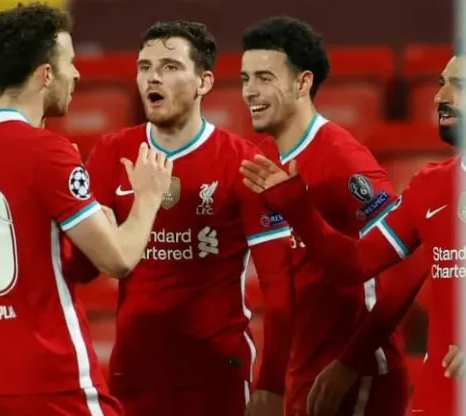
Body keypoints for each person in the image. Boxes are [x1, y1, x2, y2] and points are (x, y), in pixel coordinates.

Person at [0, 4, 172, 415]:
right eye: (69, 63)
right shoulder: (46, 151)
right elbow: (118, 259)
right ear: (45, 75)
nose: (76, 75)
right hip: (49, 378)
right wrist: (148, 197)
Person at [68, 20, 295, 416]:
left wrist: (272, 383)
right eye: (145, 67)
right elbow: (83, 270)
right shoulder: (111, 152)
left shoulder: (243, 162)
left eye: (170, 67)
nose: (153, 77)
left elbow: (279, 285)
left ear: (204, 82)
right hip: (133, 372)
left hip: (216, 373)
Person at [239, 52, 466, 416]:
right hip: (438, 399)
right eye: (441, 84)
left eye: (459, 86)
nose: (441, 97)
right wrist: (299, 208)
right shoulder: (431, 184)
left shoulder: (342, 154)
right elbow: (357, 263)